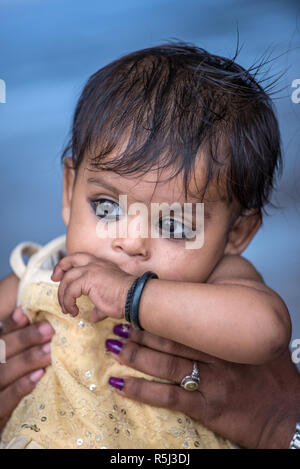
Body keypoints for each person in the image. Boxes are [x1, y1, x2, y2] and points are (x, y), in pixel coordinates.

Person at [0, 42, 293, 449]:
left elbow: (268, 333)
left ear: (235, 236)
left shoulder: (217, 283)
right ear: (70, 192)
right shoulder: (41, 273)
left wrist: (132, 296)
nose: (131, 242)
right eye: (106, 207)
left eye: (173, 225)